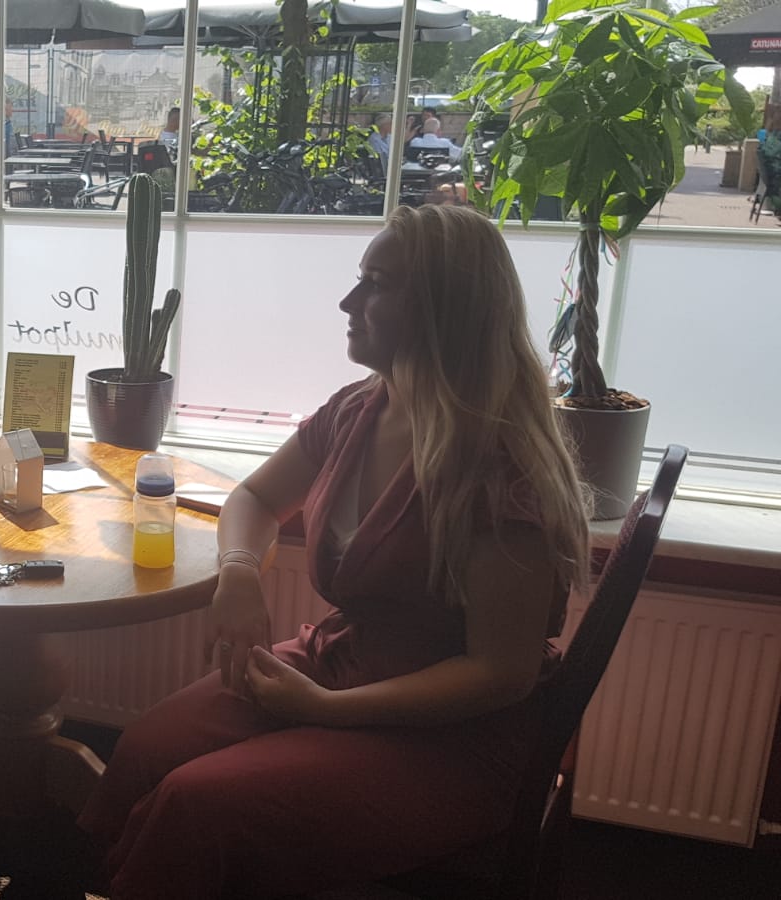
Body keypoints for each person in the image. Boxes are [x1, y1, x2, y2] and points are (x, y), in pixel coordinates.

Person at [77, 204, 591, 900]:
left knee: (198, 805)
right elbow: (254, 498)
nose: (348, 302)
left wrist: (324, 709)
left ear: (443, 311)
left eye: (377, 285)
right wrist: (238, 573)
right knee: (146, 750)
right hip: (342, 665)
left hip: (453, 739)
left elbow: (499, 674)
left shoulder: (502, 469)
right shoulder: (359, 410)